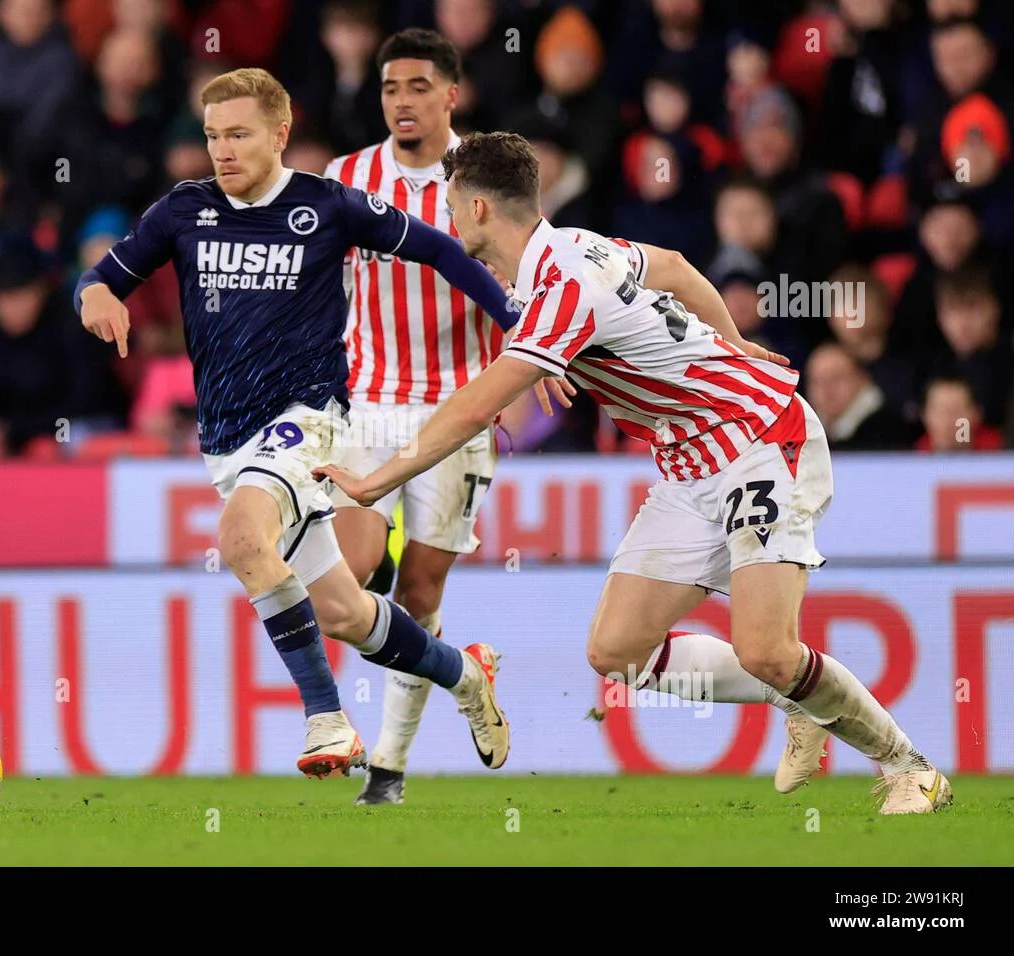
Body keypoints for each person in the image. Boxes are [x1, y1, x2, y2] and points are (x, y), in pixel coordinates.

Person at [318, 131, 953, 815]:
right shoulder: (575, 251)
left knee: (768, 646)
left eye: (450, 199)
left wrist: (378, 481)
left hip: (760, 439)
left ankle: (908, 766)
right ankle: (793, 694)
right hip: (690, 465)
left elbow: (476, 406)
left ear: (476, 208)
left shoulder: (562, 284)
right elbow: (676, 266)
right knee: (619, 651)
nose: (444, 211)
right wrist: (730, 343)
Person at [75, 68, 514, 779]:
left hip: (307, 420)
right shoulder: (185, 211)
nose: (222, 150)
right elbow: (99, 277)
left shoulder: (328, 206)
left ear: (280, 134)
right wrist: (95, 296)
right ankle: (466, 675)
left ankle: (327, 720)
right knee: (344, 613)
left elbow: (438, 248)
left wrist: (521, 330)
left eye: (239, 134)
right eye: (214, 135)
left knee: (242, 537)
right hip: (227, 440)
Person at [322, 28, 573, 805]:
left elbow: (534, 279)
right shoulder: (345, 178)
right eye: (391, 87)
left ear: (452, 95)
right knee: (349, 580)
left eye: (420, 86)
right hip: (368, 401)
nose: (403, 100)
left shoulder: (484, 180)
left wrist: (547, 356)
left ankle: (388, 773)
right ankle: (446, 655)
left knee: (422, 595)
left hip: (459, 408)